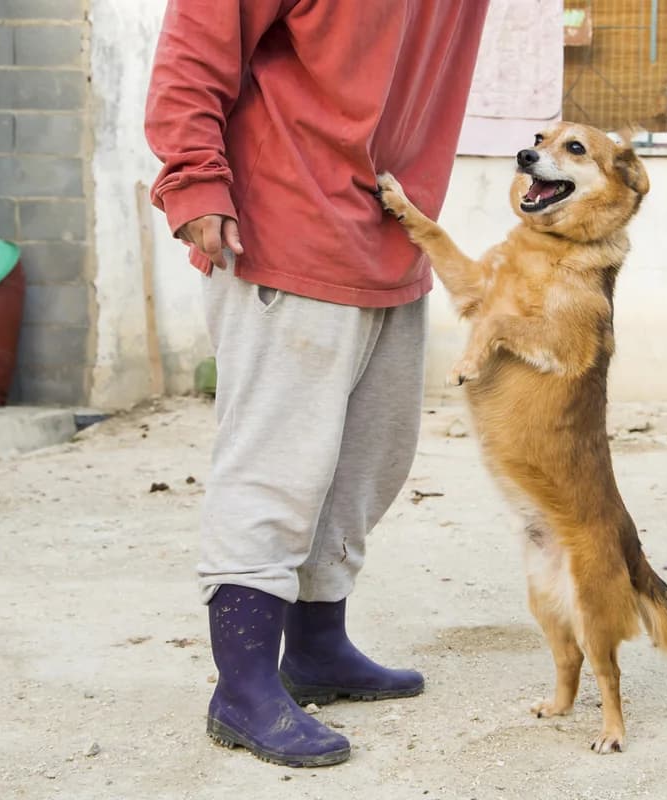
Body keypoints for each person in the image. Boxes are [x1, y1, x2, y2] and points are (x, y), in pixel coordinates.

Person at [145, 0, 490, 768]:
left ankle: (318, 651)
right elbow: (197, 42)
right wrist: (194, 181)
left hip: (393, 233)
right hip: (284, 222)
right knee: (277, 467)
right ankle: (242, 689)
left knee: (367, 465)